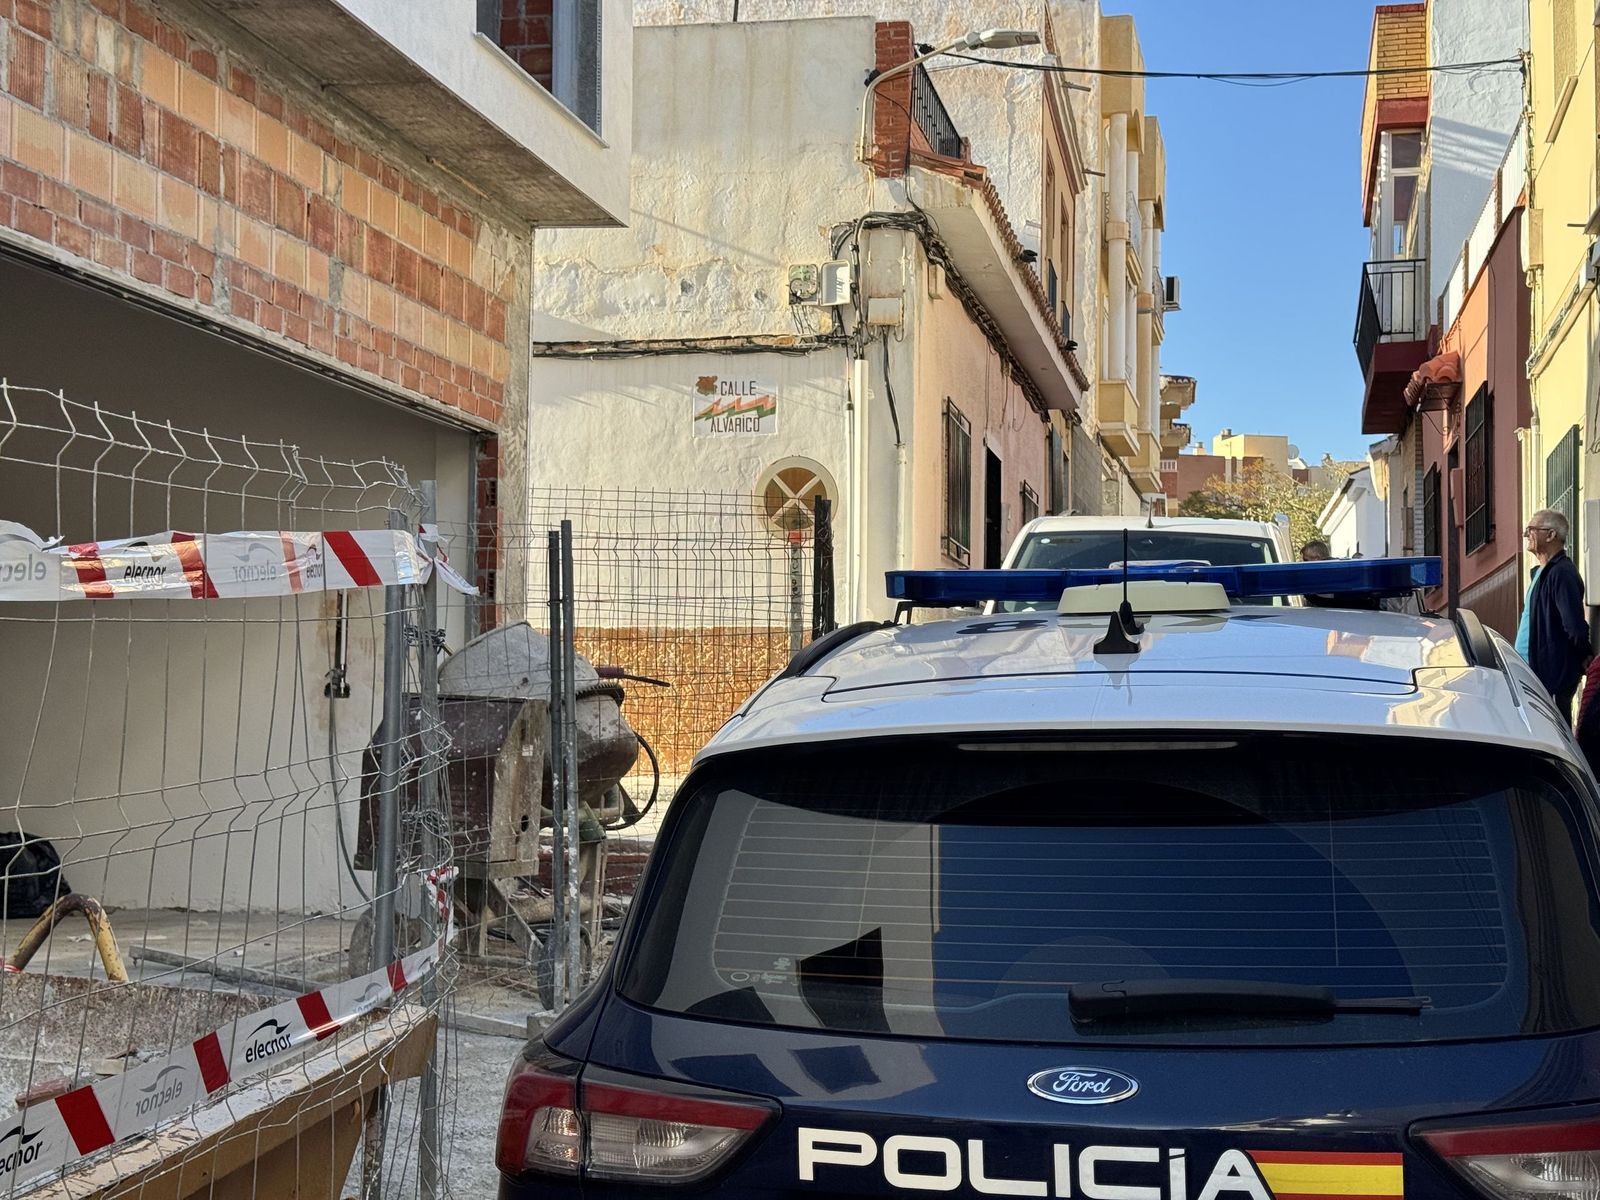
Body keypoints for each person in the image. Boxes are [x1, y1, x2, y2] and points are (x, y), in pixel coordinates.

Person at [1517, 509, 1590, 712]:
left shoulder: (1561, 573)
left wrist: (1585, 653)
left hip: (1552, 676)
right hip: (1533, 673)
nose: (1526, 535)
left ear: (1551, 535)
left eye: (1531, 529)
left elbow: (1574, 625)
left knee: (1555, 731)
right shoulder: (1542, 573)